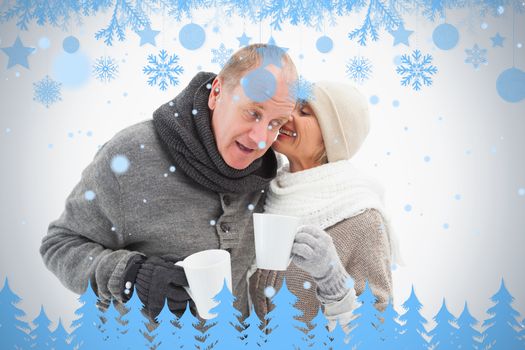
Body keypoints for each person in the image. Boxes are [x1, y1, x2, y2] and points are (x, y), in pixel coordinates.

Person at [40, 43, 298, 321]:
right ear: (217, 92)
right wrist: (130, 274)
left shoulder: (268, 177)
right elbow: (60, 245)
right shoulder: (131, 156)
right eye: (253, 113)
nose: (261, 137)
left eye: (275, 123)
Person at [249, 81, 401, 331]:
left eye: (305, 112)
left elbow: (377, 330)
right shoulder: (265, 191)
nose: (288, 117)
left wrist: (335, 284)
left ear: (332, 137)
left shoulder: (362, 218)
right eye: (291, 108)